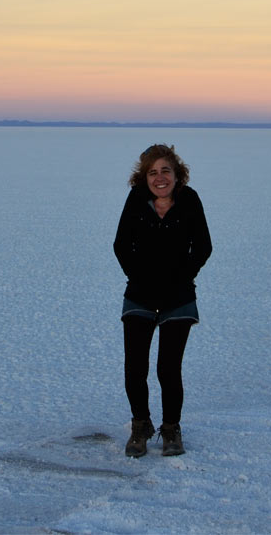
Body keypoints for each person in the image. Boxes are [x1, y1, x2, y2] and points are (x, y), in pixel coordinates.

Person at [114, 144, 212, 457]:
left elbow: (203, 246)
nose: (159, 178)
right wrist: (139, 276)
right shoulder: (135, 200)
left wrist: (183, 277)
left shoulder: (189, 199)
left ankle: (171, 429)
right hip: (140, 294)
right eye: (152, 172)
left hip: (178, 297)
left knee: (168, 369)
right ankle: (140, 426)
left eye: (165, 171)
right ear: (144, 177)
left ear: (176, 173)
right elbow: (121, 245)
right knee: (135, 368)